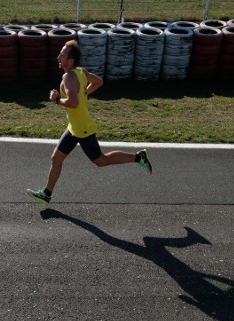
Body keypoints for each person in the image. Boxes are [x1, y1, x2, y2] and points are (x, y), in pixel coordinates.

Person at [27, 39, 152, 205]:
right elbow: (98, 81)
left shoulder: (68, 77)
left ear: (70, 61)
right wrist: (84, 92)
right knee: (56, 158)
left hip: (83, 129)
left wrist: (57, 100)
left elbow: (73, 103)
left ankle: (139, 157)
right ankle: (47, 194)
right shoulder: (81, 72)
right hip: (74, 127)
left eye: (62, 55)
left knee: (101, 160)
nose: (58, 57)